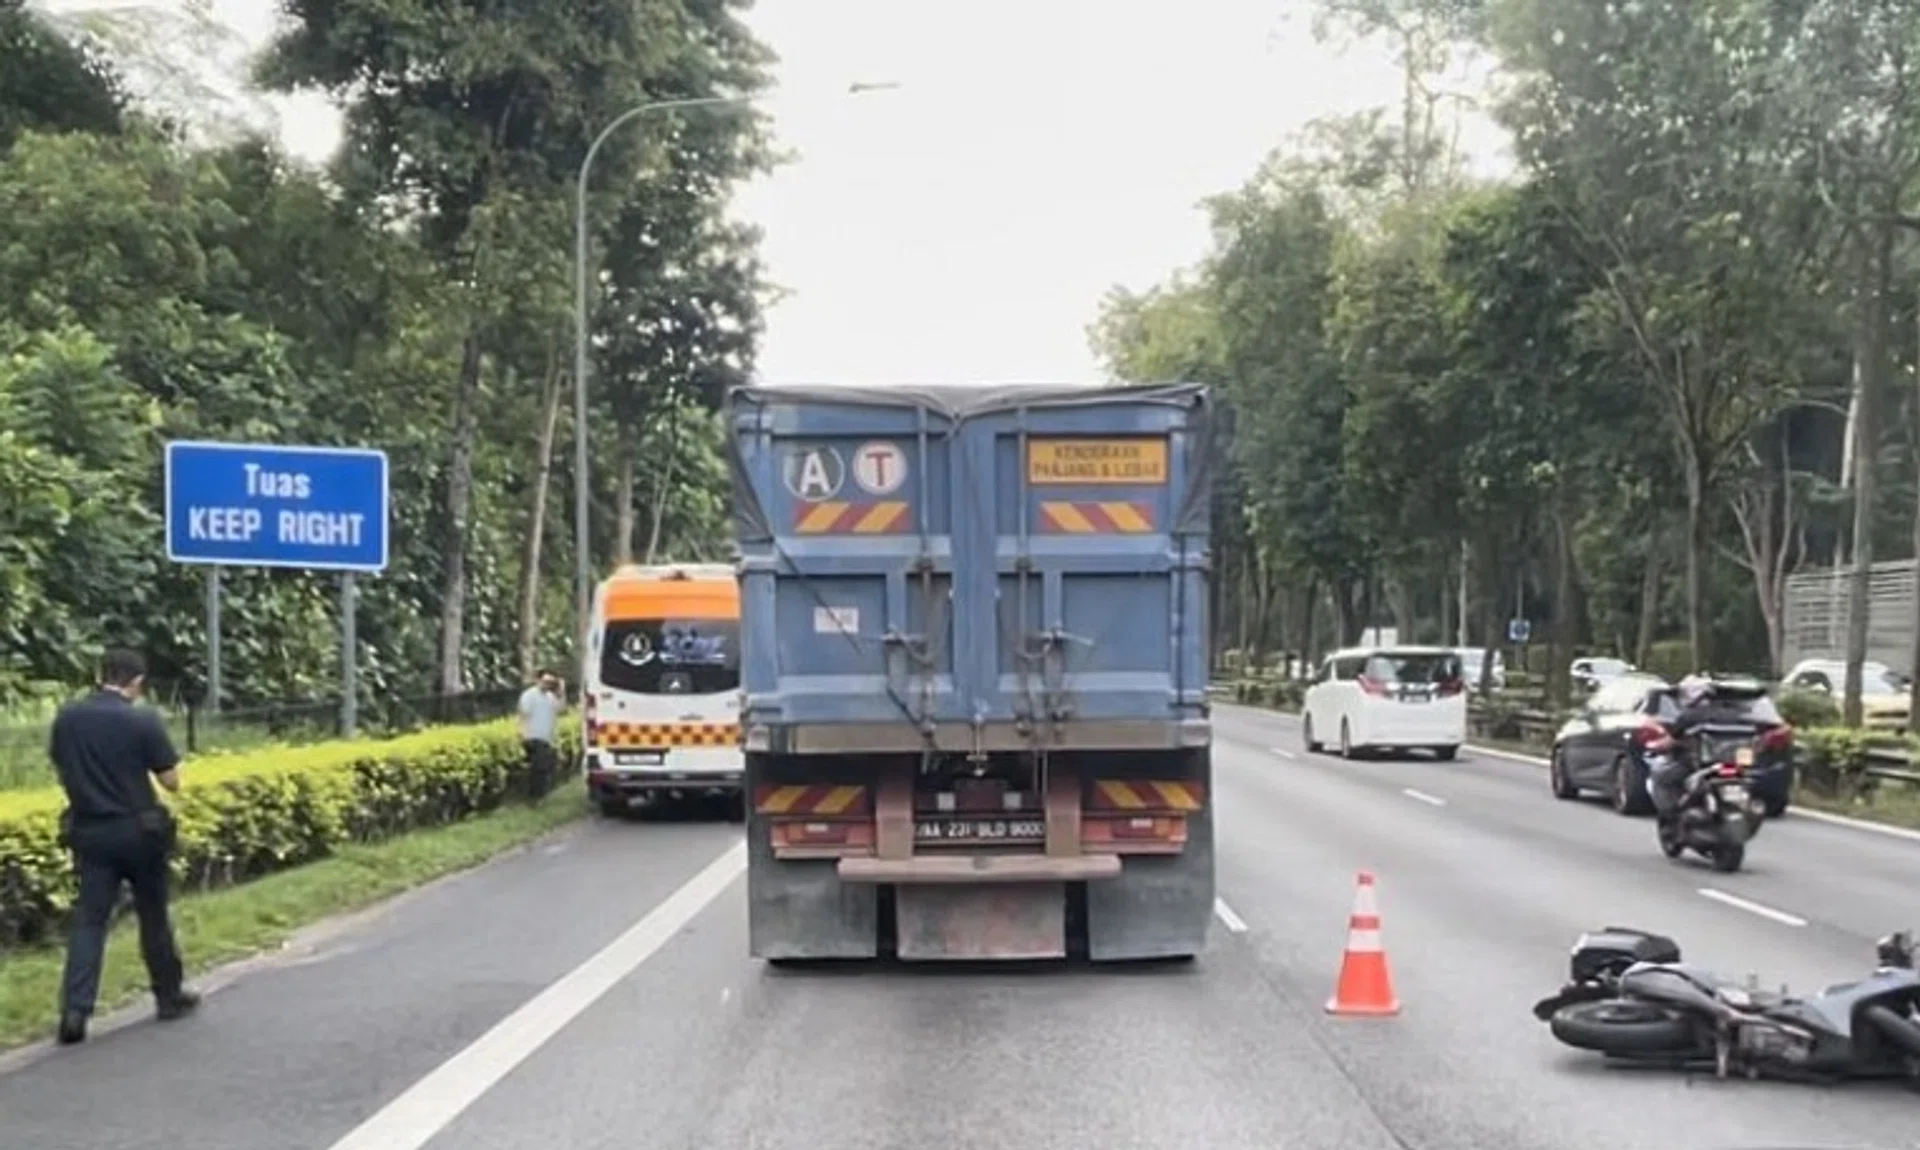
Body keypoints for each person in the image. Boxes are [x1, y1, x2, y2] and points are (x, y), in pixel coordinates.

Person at [50, 648, 198, 1045]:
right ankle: (168, 996)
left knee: (90, 920)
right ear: (136, 682)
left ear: (101, 675)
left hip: (90, 831)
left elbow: (63, 768)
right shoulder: (141, 720)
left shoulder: (68, 719)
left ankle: (75, 1011)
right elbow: (170, 781)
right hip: (139, 831)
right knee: (152, 914)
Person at [518, 669, 564, 799]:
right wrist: (522, 731)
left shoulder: (550, 697)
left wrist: (561, 691)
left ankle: (540, 794)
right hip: (533, 736)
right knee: (539, 768)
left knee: (546, 767)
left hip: (546, 738)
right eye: (545, 681)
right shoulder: (529, 695)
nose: (547, 685)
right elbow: (523, 714)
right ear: (538, 680)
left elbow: (560, 709)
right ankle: (535, 797)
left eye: (550, 682)